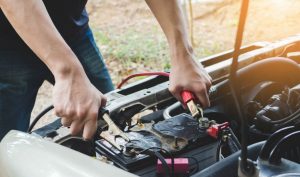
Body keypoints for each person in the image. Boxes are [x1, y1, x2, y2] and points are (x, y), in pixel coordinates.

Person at [0, 0, 211, 141]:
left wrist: (183, 54)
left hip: (73, 31)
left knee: (112, 122)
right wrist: (68, 71)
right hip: (6, 48)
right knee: (6, 147)